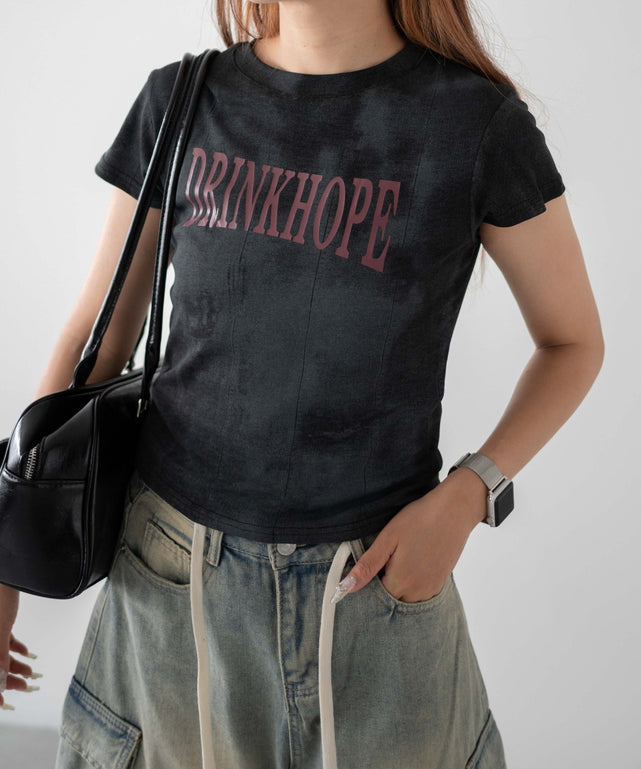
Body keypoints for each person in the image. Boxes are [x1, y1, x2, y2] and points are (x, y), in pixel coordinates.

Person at [0, 1, 604, 767]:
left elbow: (572, 342)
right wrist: (6, 551)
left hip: (374, 582)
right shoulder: (182, 100)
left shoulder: (475, 124)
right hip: (169, 572)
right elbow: (96, 333)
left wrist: (469, 492)